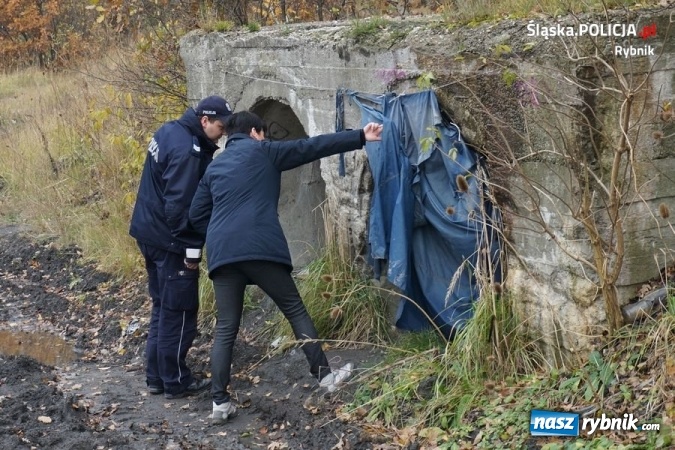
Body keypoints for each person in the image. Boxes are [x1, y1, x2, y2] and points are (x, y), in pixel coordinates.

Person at [189, 111, 383, 424]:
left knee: (226, 327)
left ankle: (219, 403)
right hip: (260, 247)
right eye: (263, 134)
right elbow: (312, 147)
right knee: (294, 309)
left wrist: (220, 233)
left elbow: (196, 215)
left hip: (223, 253)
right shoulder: (265, 151)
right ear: (255, 133)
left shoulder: (215, 167)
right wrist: (361, 136)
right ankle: (326, 377)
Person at [129, 95, 233, 399]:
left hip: (149, 233)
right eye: (220, 127)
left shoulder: (169, 130)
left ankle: (156, 377)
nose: (222, 134)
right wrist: (191, 250)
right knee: (180, 311)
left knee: (162, 306)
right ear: (204, 121)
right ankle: (175, 381)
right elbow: (179, 207)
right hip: (170, 241)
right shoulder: (188, 151)